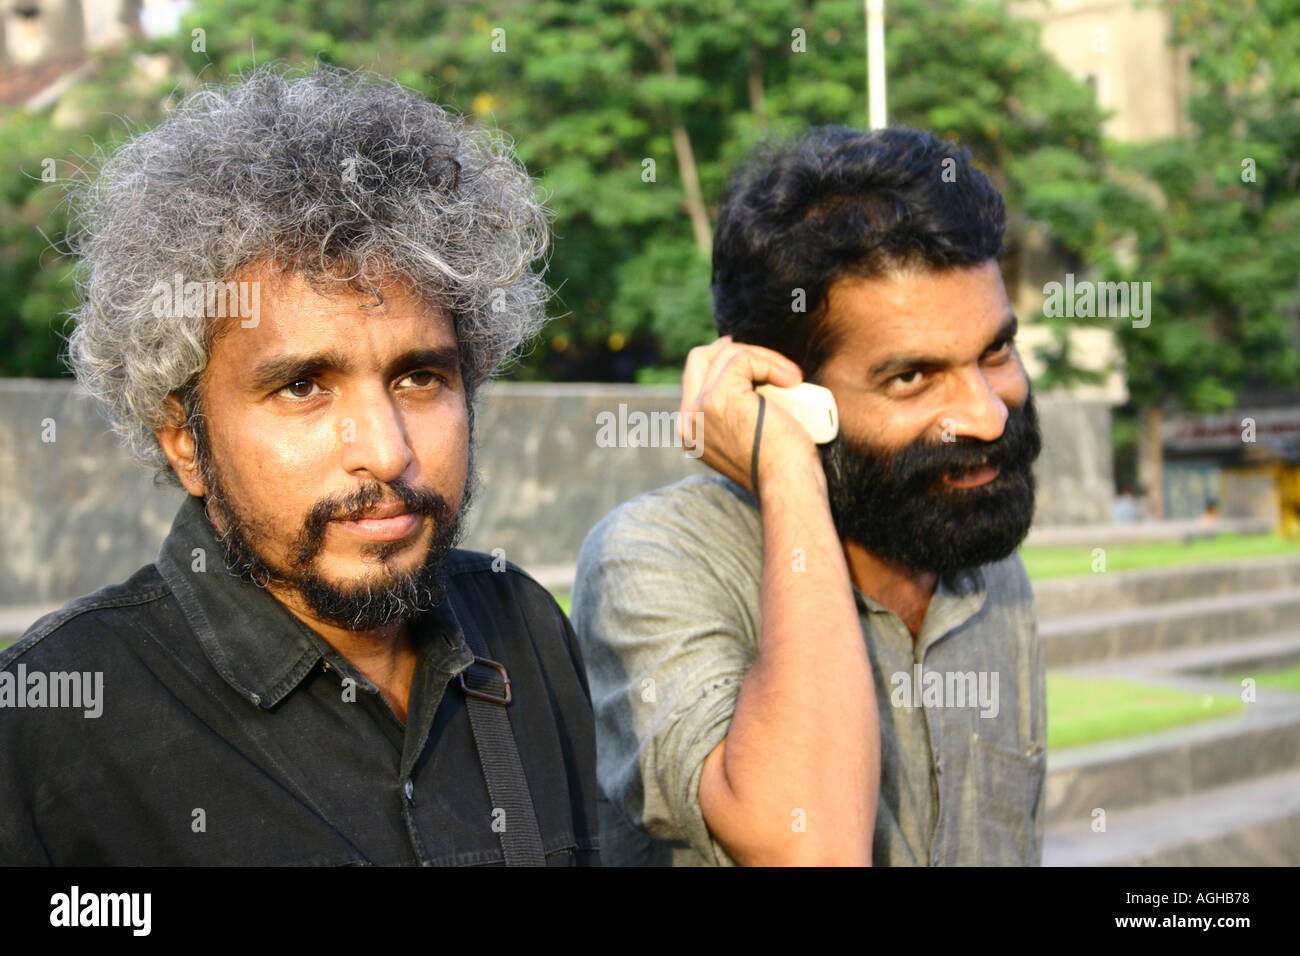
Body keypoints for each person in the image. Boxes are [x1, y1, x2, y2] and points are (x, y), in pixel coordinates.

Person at [0, 65, 598, 866]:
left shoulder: (522, 630)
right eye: (303, 387)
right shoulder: (52, 721)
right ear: (186, 438)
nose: (386, 452)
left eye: (420, 377)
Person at [572, 125, 1046, 866]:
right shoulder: (653, 560)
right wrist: (786, 468)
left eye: (996, 351)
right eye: (912, 377)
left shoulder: (983, 563)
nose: (988, 414)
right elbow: (810, 848)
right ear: (787, 396)